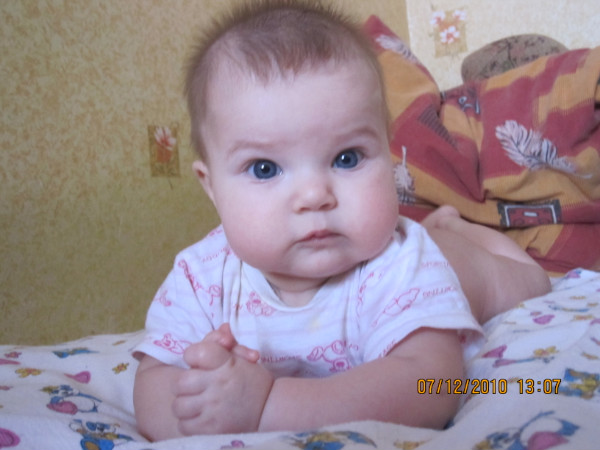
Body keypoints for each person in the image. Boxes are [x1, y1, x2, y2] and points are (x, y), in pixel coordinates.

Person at [133, 0, 551, 441]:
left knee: (534, 282)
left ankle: (456, 229)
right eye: (264, 168)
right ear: (212, 186)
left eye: (347, 158)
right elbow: (154, 383)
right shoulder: (200, 277)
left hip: (463, 266)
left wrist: (268, 407)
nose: (315, 196)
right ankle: (441, 222)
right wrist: (201, 407)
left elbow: (431, 386)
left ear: (387, 154)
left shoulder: (401, 263)